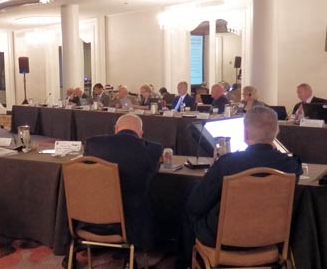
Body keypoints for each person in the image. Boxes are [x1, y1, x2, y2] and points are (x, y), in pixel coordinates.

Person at [181, 106, 302, 265]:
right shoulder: (292, 166)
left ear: (245, 133)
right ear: (276, 132)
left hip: (223, 240)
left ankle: (183, 263)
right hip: (270, 240)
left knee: (189, 210)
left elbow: (195, 206)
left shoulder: (228, 163)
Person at [83, 114, 163, 251]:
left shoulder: (92, 144)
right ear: (141, 133)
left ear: (116, 129)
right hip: (131, 221)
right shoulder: (153, 149)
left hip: (91, 216)